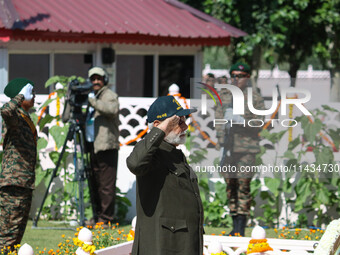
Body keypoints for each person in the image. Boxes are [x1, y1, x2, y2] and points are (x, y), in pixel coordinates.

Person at [126, 96, 204, 255]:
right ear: (157, 125)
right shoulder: (152, 154)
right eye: (178, 122)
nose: (185, 127)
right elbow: (134, 163)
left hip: (181, 244)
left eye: (184, 121)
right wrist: (162, 128)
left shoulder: (174, 153)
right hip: (163, 246)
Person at [215, 62, 265, 237]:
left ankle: (240, 230)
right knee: (231, 186)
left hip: (246, 149)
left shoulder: (255, 97)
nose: (236, 79)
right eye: (234, 76)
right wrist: (222, 141)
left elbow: (260, 122)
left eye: (240, 76)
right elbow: (219, 120)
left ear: (248, 77)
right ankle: (234, 227)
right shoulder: (224, 95)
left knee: (243, 186)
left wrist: (241, 120)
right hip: (228, 148)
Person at [0, 78, 37, 250]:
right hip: (13, 183)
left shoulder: (25, 118)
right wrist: (21, 95)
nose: (34, 96)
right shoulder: (14, 118)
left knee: (16, 238)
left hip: (24, 183)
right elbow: (6, 110)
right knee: (7, 237)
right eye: (32, 93)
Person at [86, 67, 120, 226]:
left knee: (106, 186)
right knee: (95, 184)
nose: (96, 82)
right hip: (92, 146)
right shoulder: (93, 96)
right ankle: (98, 217)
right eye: (93, 79)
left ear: (104, 80)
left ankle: (106, 219)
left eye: (99, 78)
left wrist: (92, 101)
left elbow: (111, 110)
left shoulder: (109, 96)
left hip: (107, 146)